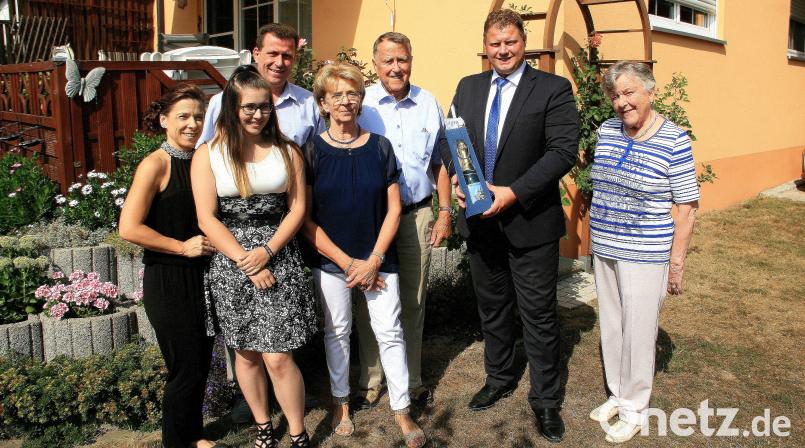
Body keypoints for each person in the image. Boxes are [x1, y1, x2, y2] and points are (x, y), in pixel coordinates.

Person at [439, 9, 579, 443]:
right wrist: (462, 186)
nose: (503, 50)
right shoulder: (468, 86)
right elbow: (451, 142)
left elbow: (562, 152)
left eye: (511, 42)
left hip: (530, 221)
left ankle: (546, 400)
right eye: (495, 43)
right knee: (493, 308)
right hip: (481, 223)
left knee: (538, 315)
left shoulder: (553, 89)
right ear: (486, 45)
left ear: (524, 42)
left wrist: (513, 192)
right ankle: (499, 378)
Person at [301, 62, 426, 448]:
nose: (345, 101)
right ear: (323, 103)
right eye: (336, 94)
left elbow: (393, 209)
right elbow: (304, 219)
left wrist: (372, 259)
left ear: (361, 99)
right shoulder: (311, 151)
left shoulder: (379, 147)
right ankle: (341, 405)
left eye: (352, 93)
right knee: (337, 333)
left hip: (377, 260)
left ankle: (402, 409)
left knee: (390, 332)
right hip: (332, 261)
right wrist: (346, 262)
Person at [191, 65, 317, 448]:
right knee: (245, 354)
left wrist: (266, 251)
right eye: (248, 107)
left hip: (278, 255)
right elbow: (206, 217)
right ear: (232, 106)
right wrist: (246, 261)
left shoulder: (287, 150)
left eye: (263, 107)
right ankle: (264, 425)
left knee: (278, 356)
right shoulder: (208, 155)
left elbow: (296, 210)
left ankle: (297, 431)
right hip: (231, 263)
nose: (256, 114)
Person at [588, 60, 700, 444]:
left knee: (638, 330)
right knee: (613, 324)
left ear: (650, 92)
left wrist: (676, 264)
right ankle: (618, 395)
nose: (621, 102)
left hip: (644, 252)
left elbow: (686, 207)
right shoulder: (606, 130)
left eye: (629, 92)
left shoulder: (674, 139)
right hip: (604, 247)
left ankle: (636, 407)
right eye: (615, 95)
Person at [353, 31, 452, 409]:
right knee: (370, 299)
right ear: (376, 64)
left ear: (411, 60)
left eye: (403, 59)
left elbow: (440, 162)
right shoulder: (363, 105)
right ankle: (371, 379)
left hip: (416, 215)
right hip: (373, 220)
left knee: (413, 299)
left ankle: (410, 380)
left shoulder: (428, 103)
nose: (396, 67)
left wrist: (445, 212)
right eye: (388, 60)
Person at [118, 83, 218, 448]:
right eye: (183, 117)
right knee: (185, 366)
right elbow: (129, 227)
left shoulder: (203, 159)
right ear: (163, 120)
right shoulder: (155, 165)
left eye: (198, 116)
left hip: (203, 275)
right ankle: (177, 441)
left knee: (200, 361)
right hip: (169, 277)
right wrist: (181, 247)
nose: (192, 124)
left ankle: (193, 434)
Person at [198, 22, 324, 148]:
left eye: (286, 56)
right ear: (256, 54)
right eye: (273, 54)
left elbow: (319, 156)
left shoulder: (309, 104)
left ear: (295, 59)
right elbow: (205, 151)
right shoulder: (222, 102)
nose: (279, 63)